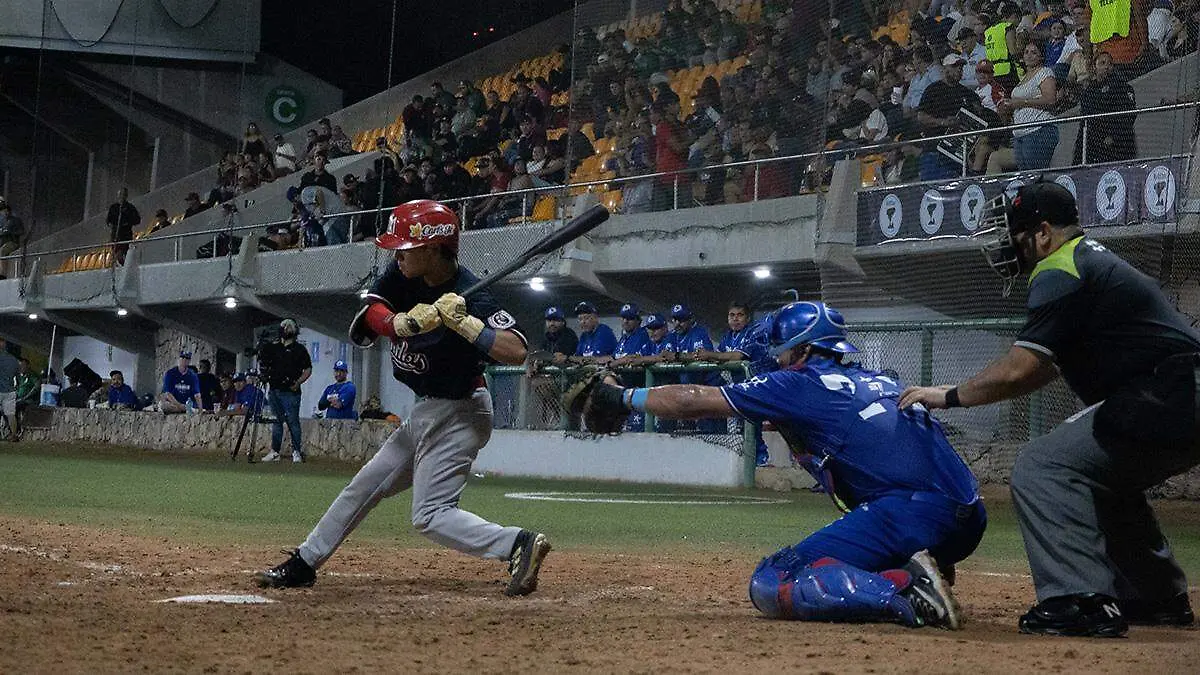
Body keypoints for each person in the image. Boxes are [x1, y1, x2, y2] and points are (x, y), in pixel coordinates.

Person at [900, 181, 1200, 637]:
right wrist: (956, 388)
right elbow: (1042, 370)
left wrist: (949, 396)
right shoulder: (1087, 259)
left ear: (1042, 233)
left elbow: (1021, 368)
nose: (1007, 245)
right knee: (1101, 478)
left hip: (1171, 394)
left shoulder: (1060, 269)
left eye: (1015, 234)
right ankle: (1156, 596)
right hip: (1174, 396)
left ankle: (1081, 601)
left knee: (1043, 467)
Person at [588, 301, 985, 629]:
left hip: (913, 515)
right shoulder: (879, 380)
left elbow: (692, 400)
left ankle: (903, 594)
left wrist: (622, 398)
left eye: (782, 350)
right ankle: (915, 567)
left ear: (805, 350)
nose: (777, 358)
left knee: (774, 578)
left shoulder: (800, 382)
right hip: (966, 517)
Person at [255, 199, 551, 597]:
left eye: (405, 247)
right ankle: (306, 561)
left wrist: (465, 325)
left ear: (432, 249)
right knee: (363, 487)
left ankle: (517, 542)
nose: (397, 255)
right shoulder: (402, 273)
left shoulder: (470, 295)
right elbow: (370, 313)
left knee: (430, 515)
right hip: (427, 410)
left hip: (461, 410)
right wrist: (399, 323)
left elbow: (515, 350)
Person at [257, 318, 312, 463]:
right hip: (274, 390)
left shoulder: (300, 349)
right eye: (285, 326)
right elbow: (263, 362)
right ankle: (275, 451)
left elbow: (308, 369)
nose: (287, 329)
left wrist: (298, 382)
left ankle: (296, 452)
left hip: (291, 391)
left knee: (293, 421)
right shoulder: (272, 348)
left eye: (289, 326)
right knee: (276, 421)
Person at [1000, 43, 1059, 171]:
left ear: (1041, 56)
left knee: (1037, 174)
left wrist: (1021, 103)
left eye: (1033, 52)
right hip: (1020, 134)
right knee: (1025, 176)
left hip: (1038, 130)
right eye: (1026, 52)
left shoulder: (1045, 72)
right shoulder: (1023, 78)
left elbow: (1050, 99)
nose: (1029, 55)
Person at [1074, 51, 1137, 164]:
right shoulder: (1089, 91)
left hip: (1117, 146)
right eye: (1102, 63)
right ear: (1094, 67)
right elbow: (1084, 121)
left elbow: (1128, 115)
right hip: (1092, 146)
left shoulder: (1122, 87)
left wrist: (1113, 136)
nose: (1106, 67)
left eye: (1110, 64)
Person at [106, 187, 140, 265]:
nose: (122, 196)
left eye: (124, 194)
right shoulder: (114, 208)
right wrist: (113, 226)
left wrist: (127, 222)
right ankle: (122, 266)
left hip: (126, 235)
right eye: (120, 194)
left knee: (122, 254)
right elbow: (108, 221)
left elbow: (137, 220)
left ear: (126, 196)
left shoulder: (130, 208)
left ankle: (125, 266)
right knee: (116, 255)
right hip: (115, 236)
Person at [0, 339, 18, 441]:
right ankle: (13, 435)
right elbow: (17, 375)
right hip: (10, 391)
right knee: (11, 414)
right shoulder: (14, 360)